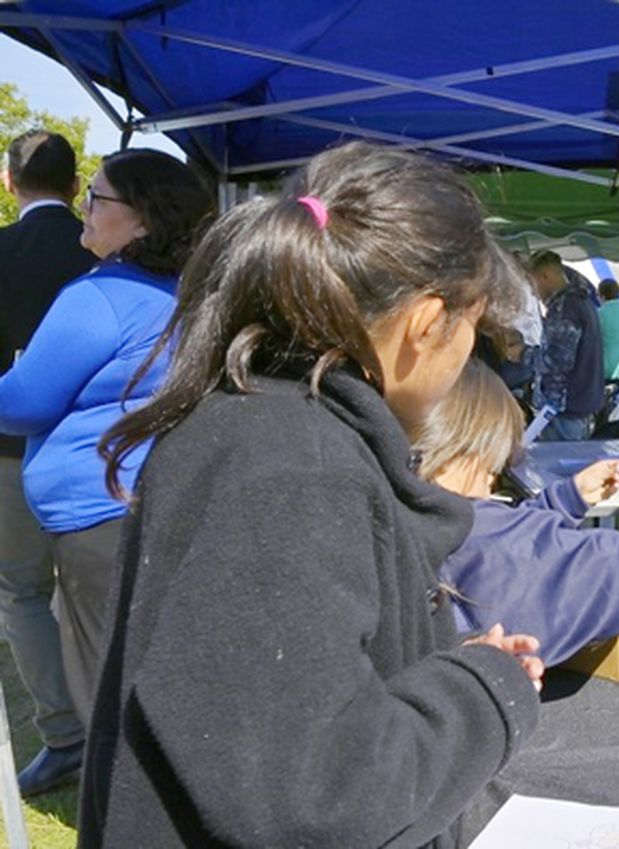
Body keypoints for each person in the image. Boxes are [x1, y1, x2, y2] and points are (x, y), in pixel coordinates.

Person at [83, 143, 542, 846]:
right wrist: (486, 688)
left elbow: (284, 690)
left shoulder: (271, 431)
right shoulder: (289, 466)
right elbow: (321, 794)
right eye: (472, 329)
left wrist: (438, 661)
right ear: (426, 323)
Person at [0, 148, 211, 732]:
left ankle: (114, 808)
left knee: (104, 691)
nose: (84, 209)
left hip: (99, 521)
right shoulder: (176, 293)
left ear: (142, 219)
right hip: (138, 503)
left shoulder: (101, 297)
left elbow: (21, 402)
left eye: (98, 197)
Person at [413, 360, 619, 665]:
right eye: (490, 467)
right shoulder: (466, 533)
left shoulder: (394, 518)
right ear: (456, 450)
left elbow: (512, 541)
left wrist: (565, 501)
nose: (490, 481)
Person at [0, 129, 97, 796]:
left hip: (12, 454)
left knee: (22, 593)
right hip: (103, 456)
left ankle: (64, 735)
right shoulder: (109, 257)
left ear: (10, 182)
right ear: (73, 185)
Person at [530, 250, 604, 440]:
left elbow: (557, 360)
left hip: (563, 408)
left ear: (545, 276)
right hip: (580, 404)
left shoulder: (564, 307)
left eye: (533, 283)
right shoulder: (584, 301)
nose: (534, 292)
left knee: (558, 467)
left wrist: (523, 354)